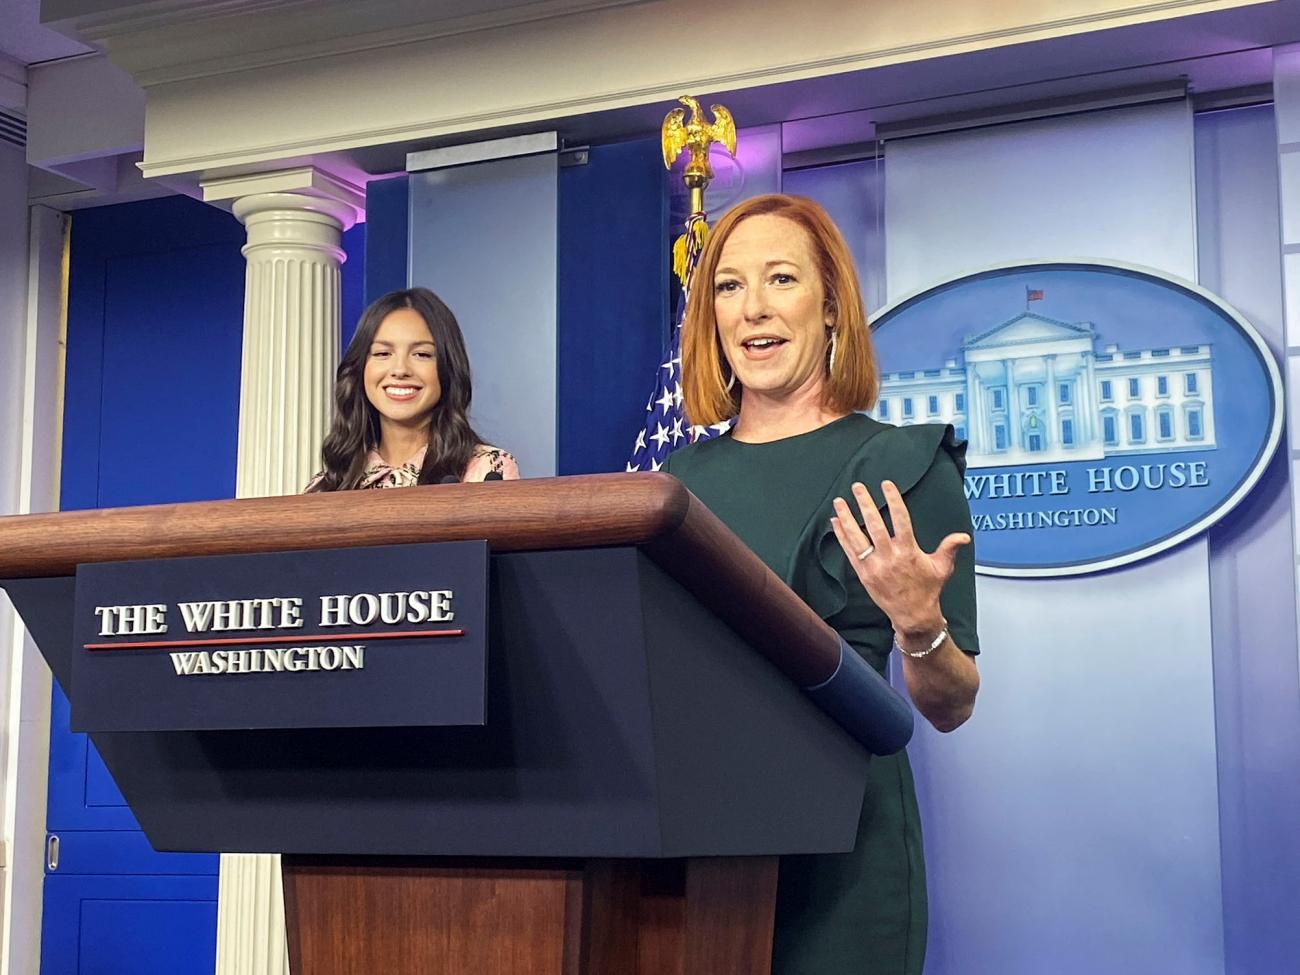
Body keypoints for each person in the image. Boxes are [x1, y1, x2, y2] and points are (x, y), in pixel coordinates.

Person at [661, 194, 980, 975]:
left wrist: (918, 625)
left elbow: (952, 703)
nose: (753, 309)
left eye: (780, 279)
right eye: (729, 287)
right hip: (693, 847)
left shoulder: (905, 464)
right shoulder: (674, 482)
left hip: (845, 854)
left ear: (832, 307)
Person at [307, 287, 519, 492]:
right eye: (382, 353)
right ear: (360, 368)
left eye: (421, 354)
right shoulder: (326, 486)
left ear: (448, 368)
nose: (400, 370)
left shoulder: (487, 470)